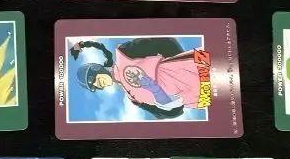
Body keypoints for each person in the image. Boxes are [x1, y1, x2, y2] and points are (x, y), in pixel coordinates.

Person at [70, 36, 210, 119]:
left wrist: (178, 65)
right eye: (95, 86)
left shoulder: (124, 54)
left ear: (97, 68)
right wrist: (173, 108)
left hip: (197, 68)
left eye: (95, 79)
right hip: (199, 97)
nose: (98, 84)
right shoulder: (133, 99)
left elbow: (164, 42)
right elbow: (162, 114)